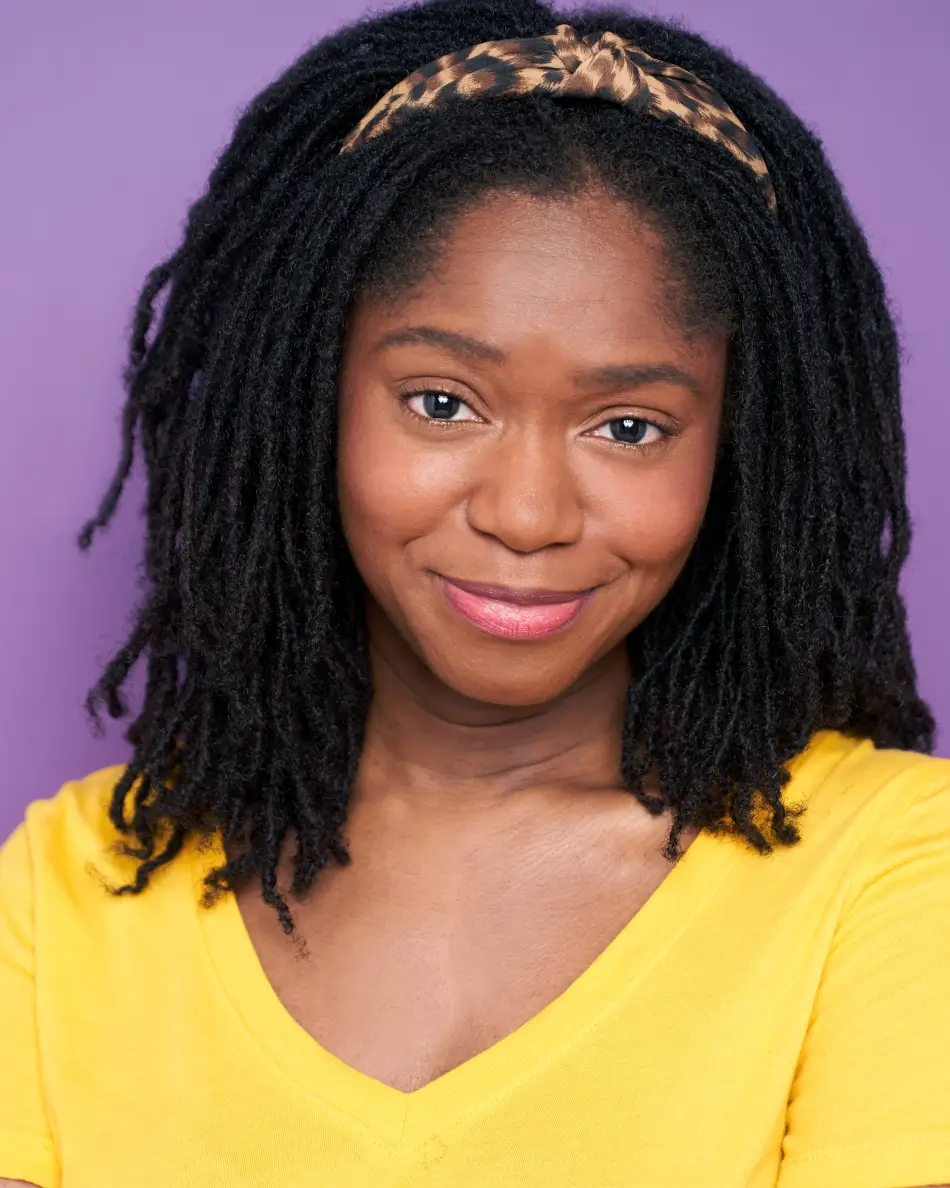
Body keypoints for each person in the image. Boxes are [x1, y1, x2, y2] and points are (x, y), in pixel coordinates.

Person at [1, 0, 948, 1184]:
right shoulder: (74, 886)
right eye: (441, 401)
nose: (527, 512)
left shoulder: (891, 870)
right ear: (312, 399)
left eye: (628, 425)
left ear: (735, 453)